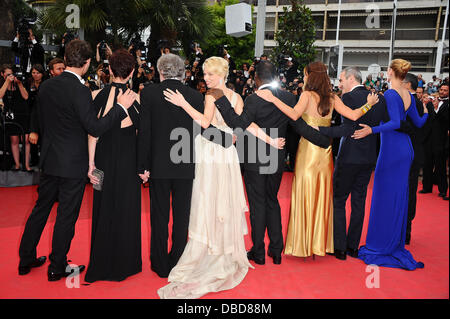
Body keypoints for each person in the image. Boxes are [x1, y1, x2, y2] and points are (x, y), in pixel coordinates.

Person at [157, 57, 285, 299]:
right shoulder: (236, 96)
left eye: (210, 75)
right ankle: (221, 249)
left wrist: (183, 102)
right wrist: (271, 140)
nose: (206, 79)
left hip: (211, 152)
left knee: (207, 200)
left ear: (221, 75)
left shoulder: (212, 95)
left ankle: (209, 249)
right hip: (227, 154)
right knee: (221, 200)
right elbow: (249, 126)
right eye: (205, 75)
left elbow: (205, 123)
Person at [17, 40, 136, 281]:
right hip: (72, 164)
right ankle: (56, 267)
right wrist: (120, 109)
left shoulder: (47, 87)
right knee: (66, 216)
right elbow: (94, 127)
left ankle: (25, 258)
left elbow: (43, 122)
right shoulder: (80, 90)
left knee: (40, 210)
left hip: (50, 160)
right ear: (87, 62)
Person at [211, 60, 333, 264]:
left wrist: (221, 100)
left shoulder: (253, 99)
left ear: (256, 78)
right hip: (276, 158)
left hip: (254, 159)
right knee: (272, 201)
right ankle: (276, 251)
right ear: (275, 76)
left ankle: (258, 252)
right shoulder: (287, 97)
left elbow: (238, 125)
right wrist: (324, 141)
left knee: (257, 204)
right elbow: (299, 126)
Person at [255, 61, 379, 258]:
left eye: (305, 75)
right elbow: (354, 116)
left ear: (311, 76)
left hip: (308, 151)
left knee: (304, 194)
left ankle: (302, 245)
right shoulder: (332, 97)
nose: (304, 78)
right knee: (321, 196)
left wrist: (273, 99)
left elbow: (294, 115)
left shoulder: (307, 95)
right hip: (325, 154)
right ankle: (318, 244)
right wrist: (368, 105)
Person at [137, 53, 234, 280]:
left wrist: (142, 165)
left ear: (160, 72)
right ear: (182, 73)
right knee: (182, 216)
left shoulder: (149, 93)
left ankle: (159, 264)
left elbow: (145, 133)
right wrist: (227, 140)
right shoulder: (193, 95)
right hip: (185, 164)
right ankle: (178, 261)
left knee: (158, 216)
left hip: (158, 165)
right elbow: (203, 128)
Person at [353, 59, 428, 270]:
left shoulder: (392, 94)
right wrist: (428, 112)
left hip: (392, 151)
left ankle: (381, 244)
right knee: (397, 196)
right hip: (405, 150)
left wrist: (371, 130)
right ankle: (393, 241)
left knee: (384, 196)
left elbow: (395, 123)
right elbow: (419, 122)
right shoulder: (408, 95)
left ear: (390, 72)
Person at [84, 49, 142, 283]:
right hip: (129, 164)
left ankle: (102, 264)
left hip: (102, 163)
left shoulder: (95, 95)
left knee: (102, 207)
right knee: (127, 210)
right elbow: (141, 135)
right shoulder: (137, 99)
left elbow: (92, 135)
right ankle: (126, 264)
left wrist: (90, 165)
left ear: (108, 70)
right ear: (132, 72)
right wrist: (143, 167)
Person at [318, 66, 387, 260]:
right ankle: (353, 247)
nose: (339, 84)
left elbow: (345, 130)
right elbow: (384, 124)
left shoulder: (347, 98)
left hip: (349, 157)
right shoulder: (377, 99)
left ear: (351, 79)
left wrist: (320, 130)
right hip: (368, 158)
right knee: (358, 202)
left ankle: (339, 248)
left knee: (338, 201)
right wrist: (371, 129)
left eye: (341, 80)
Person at [400, 73, 426, 244]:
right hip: (411, 152)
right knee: (408, 190)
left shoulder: (410, 102)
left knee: (407, 190)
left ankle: (405, 230)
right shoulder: (415, 102)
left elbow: (408, 126)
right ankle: (405, 230)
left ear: (408, 84)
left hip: (408, 152)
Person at [419, 82, 449, 198]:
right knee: (427, 164)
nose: (442, 92)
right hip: (429, 138)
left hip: (441, 140)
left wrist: (437, 108)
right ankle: (427, 187)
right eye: (441, 89)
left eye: (445, 90)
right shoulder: (430, 103)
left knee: (440, 166)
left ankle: (443, 190)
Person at [0, 64, 30, 171]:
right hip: (11, 116)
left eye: (11, 74)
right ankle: (17, 164)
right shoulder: (3, 84)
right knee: (14, 140)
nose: (10, 76)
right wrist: (7, 82)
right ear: (2, 74)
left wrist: (20, 84)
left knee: (26, 140)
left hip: (23, 114)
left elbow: (26, 96)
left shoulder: (19, 83)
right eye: (7, 74)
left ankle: (26, 165)